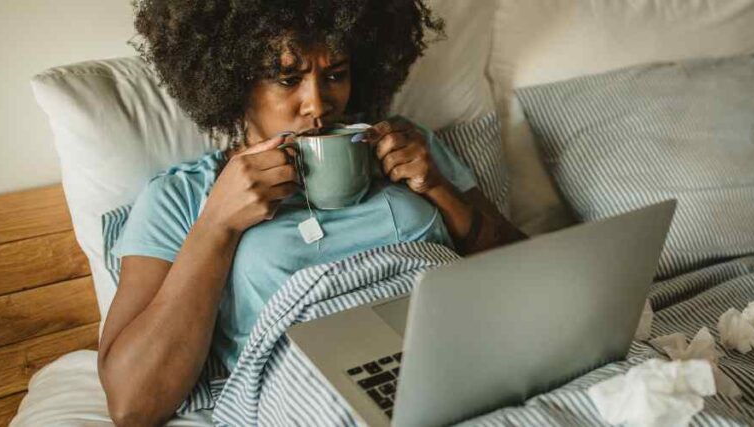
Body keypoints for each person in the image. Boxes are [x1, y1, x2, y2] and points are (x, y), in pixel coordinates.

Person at [97, 1, 526, 424]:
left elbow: (527, 276)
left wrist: (437, 187)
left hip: (461, 347)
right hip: (317, 388)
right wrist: (217, 224)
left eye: (336, 75)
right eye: (288, 79)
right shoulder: (182, 196)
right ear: (232, 80)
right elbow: (133, 403)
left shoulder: (405, 146)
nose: (318, 105)